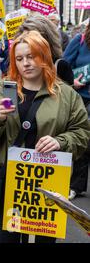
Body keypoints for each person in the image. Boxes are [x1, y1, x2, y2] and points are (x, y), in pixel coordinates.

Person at [0, 30, 90, 243]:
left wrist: (60, 141)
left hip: (46, 186)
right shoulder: (3, 89)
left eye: (31, 56)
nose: (25, 63)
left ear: (44, 56)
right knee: (1, 238)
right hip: (6, 183)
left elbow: (83, 133)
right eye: (19, 59)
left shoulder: (66, 95)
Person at [63, 23, 90, 199]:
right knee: (83, 139)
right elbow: (63, 67)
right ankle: (74, 185)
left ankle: (76, 184)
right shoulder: (79, 41)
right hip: (81, 97)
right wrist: (73, 80)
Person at [16, 14, 74, 86]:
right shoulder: (16, 65)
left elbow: (69, 95)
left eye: (34, 38)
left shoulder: (60, 66)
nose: (25, 63)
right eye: (19, 59)